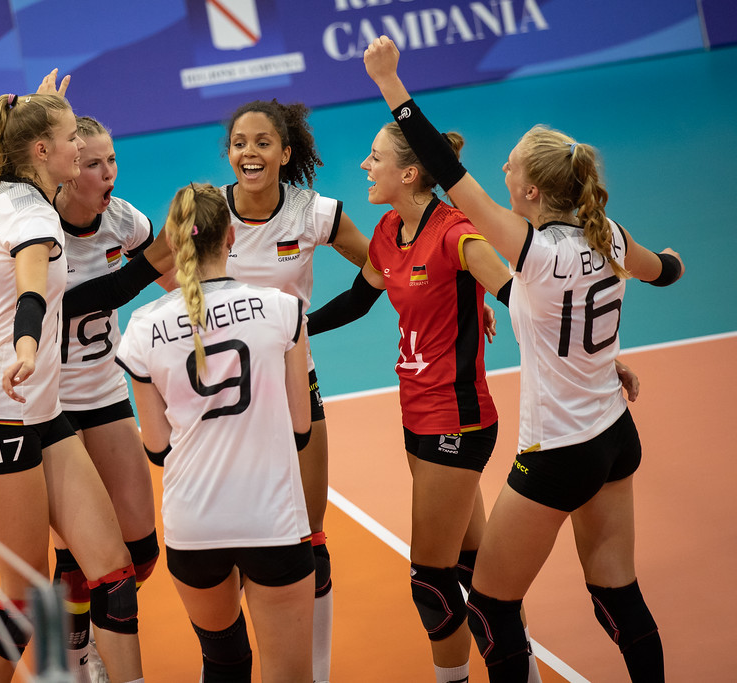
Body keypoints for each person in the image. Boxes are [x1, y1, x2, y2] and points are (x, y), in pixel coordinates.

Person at [363, 35, 683, 682]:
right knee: (617, 594)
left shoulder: (532, 250)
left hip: (559, 450)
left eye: (508, 167)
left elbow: (444, 169)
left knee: (488, 606)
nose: (500, 174)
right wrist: (668, 271)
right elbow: (664, 271)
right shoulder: (610, 236)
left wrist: (391, 84)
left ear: (532, 191)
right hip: (615, 434)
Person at [0, 110, 170, 681]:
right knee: (23, 595)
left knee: (115, 574)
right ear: (43, 151)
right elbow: (32, 293)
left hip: (44, 415)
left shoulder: (5, 192)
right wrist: (27, 346)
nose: (83, 150)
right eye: (73, 139)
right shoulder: (36, 222)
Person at [304, 117, 539, 683]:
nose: (365, 165)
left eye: (375, 156)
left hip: (457, 419)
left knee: (430, 580)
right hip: (417, 414)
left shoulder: (457, 234)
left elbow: (524, 298)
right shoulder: (389, 230)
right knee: (476, 569)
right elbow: (359, 299)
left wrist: (591, 358)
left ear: (409, 173)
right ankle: (524, 671)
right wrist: (291, 328)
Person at [116, 183, 315, 682]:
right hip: (271, 519)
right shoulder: (282, 308)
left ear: (172, 242)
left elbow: (156, 446)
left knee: (225, 663)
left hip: (194, 527)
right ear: (231, 237)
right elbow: (301, 425)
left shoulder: (143, 327)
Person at [220, 99, 369, 682]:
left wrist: (310, 324)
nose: (249, 153)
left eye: (262, 143)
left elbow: (385, 266)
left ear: (285, 153)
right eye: (239, 143)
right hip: (227, 403)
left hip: (294, 387)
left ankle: (317, 673)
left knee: (311, 540)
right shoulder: (208, 213)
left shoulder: (313, 213)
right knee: (231, 550)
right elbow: (154, 272)